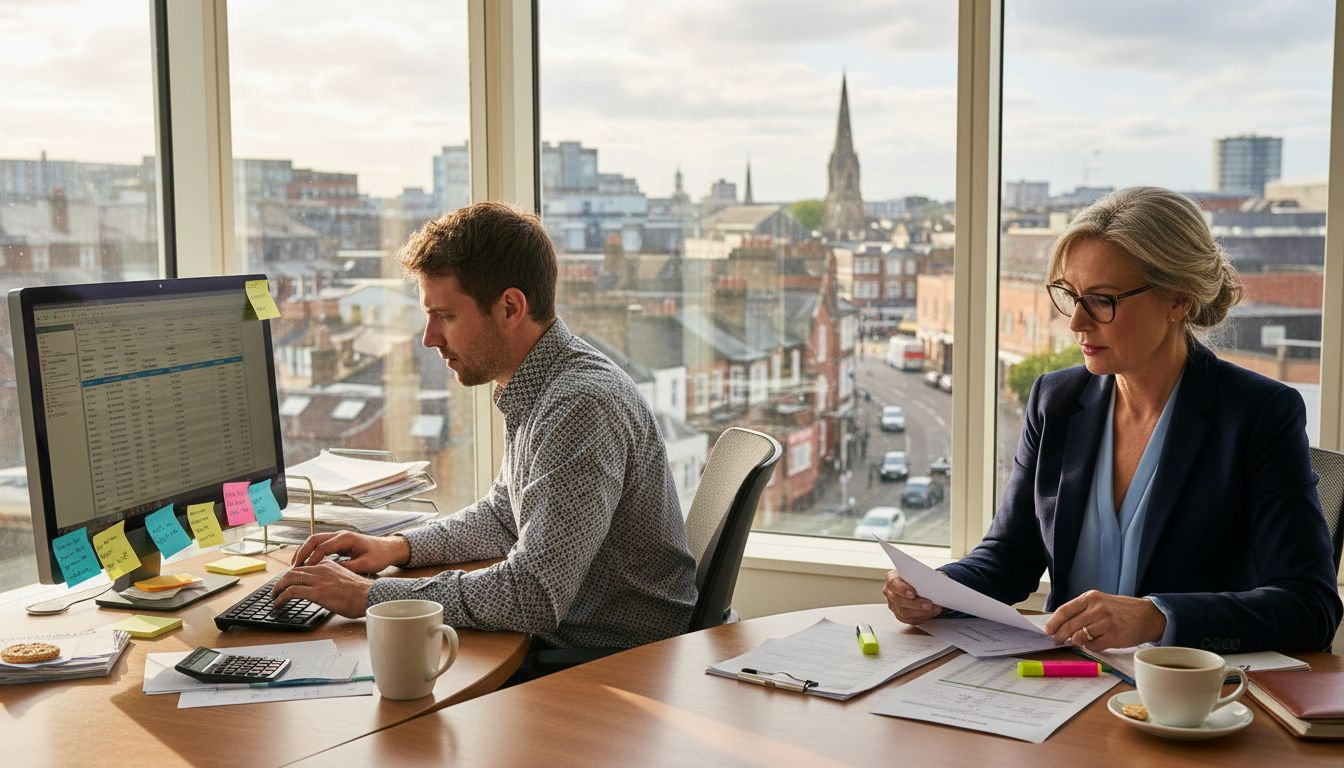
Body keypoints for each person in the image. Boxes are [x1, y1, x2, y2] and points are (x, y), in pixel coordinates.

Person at [884, 186, 1342, 653]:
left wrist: (1157, 617)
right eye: (1071, 296)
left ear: (1178, 300)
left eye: (1102, 300)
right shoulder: (1054, 401)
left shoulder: (1260, 414)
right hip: (1063, 677)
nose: (1076, 322)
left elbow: (1310, 606)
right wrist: (937, 591)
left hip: (1184, 688)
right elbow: (1009, 555)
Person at [273, 202, 698, 655]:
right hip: (581, 640)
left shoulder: (579, 406)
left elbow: (532, 596)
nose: (429, 338)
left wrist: (369, 596)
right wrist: (396, 547)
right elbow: (502, 516)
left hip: (616, 661)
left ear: (510, 307)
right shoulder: (540, 383)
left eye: (446, 316)